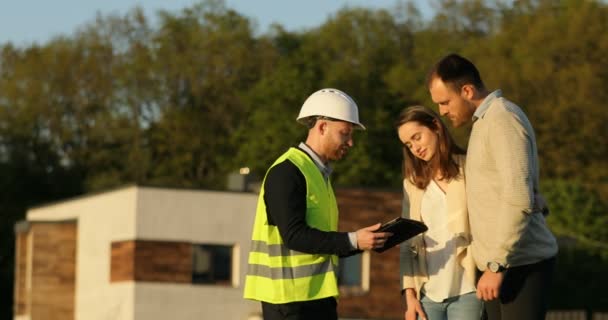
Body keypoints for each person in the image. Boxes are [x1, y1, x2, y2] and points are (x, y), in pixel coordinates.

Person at [426, 53, 558, 320]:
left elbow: (517, 198)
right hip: (501, 266)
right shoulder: (485, 123)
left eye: (445, 102)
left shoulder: (502, 120)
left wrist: (496, 266)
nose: (442, 111)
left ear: (467, 90)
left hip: (520, 265)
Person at [243, 88, 392, 320]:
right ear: (322, 127)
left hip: (317, 300)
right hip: (289, 303)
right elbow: (294, 236)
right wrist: (353, 240)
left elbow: (320, 245)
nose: (351, 142)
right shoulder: (287, 172)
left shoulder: (318, 176)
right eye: (345, 133)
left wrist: (361, 243)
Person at [397, 106, 482, 320]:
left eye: (417, 137)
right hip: (427, 296)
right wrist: (410, 298)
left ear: (435, 126)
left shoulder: (470, 167)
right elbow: (407, 243)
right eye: (408, 144)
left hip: (469, 290)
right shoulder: (412, 184)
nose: (415, 147)